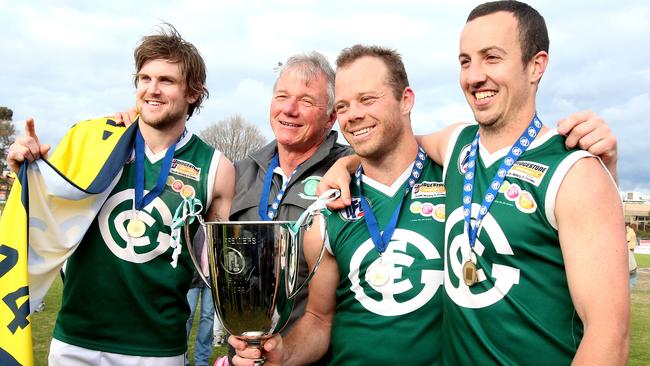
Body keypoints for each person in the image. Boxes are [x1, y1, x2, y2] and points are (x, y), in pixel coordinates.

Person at [6, 24, 235, 365]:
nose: (151, 90)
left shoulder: (217, 168)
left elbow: (220, 273)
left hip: (157, 350)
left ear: (193, 92)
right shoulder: (93, 141)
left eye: (166, 81)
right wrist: (27, 166)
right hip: (76, 341)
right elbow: (48, 209)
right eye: (144, 78)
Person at [233, 44, 447, 366]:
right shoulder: (327, 209)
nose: (354, 114)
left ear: (406, 100)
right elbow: (319, 320)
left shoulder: (457, 179)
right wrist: (284, 353)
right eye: (344, 105)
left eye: (367, 99)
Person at [227, 51, 350, 365]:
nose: (289, 109)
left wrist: (351, 162)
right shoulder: (241, 172)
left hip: (317, 354)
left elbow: (400, 147)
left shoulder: (352, 171)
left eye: (307, 101)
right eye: (282, 96)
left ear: (331, 116)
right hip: (245, 354)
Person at [185, 231, 223, 366]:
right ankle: (183, 359)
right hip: (192, 277)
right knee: (187, 317)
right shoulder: (195, 222)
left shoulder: (217, 226)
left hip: (212, 279)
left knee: (208, 317)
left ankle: (202, 360)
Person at [628, 223, 638, 289]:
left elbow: (627, 239)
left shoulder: (630, 232)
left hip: (628, 248)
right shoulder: (633, 232)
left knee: (629, 262)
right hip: (632, 247)